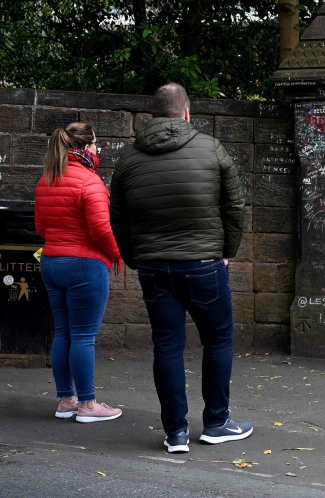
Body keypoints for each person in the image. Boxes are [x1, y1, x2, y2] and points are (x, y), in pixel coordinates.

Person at [110, 83, 248, 454]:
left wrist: (135, 257)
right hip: (204, 264)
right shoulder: (212, 148)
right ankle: (217, 422)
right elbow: (235, 207)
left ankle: (176, 433)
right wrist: (226, 251)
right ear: (187, 113)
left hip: (155, 267)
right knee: (217, 338)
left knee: (167, 346)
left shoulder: (128, 158)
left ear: (152, 116)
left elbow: (117, 218)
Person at [34, 122, 123, 423]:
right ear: (85, 148)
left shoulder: (46, 180)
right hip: (85, 265)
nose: (98, 149)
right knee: (84, 337)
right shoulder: (90, 182)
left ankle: (66, 400)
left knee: (64, 333)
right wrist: (117, 254)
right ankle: (88, 405)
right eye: (96, 144)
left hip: (51, 261)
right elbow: (101, 228)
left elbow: (40, 228)